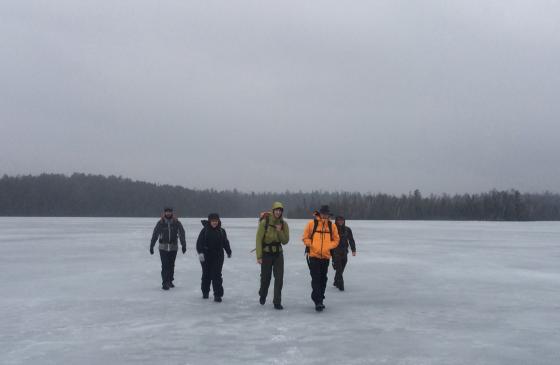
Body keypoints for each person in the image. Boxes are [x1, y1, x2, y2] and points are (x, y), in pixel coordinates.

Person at [302, 205, 340, 312]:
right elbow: (305, 237)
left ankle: (320, 299)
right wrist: (312, 245)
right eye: (323, 213)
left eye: (326, 214)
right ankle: (317, 301)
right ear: (319, 213)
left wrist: (329, 246)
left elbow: (336, 240)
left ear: (328, 215)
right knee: (316, 279)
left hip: (326, 257)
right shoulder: (311, 224)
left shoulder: (332, 226)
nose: (325, 215)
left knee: (323, 279)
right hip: (314, 256)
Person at [256, 202, 289, 310]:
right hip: (266, 254)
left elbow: (285, 241)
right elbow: (258, 240)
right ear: (273, 210)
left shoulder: (284, 224)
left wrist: (279, 231)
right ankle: (263, 294)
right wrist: (259, 256)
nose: (278, 212)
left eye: (280, 210)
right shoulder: (264, 223)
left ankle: (277, 301)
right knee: (266, 278)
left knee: (279, 279)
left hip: (278, 254)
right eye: (276, 210)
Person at [196, 213, 232, 302]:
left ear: (218, 221)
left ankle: (218, 295)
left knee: (217, 275)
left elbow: (225, 242)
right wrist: (200, 253)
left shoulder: (222, 231)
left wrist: (228, 251)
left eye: (216, 221)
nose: (214, 223)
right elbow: (199, 243)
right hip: (206, 256)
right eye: (213, 221)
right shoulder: (204, 231)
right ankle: (205, 292)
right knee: (206, 274)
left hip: (218, 256)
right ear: (209, 221)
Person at [149, 207, 186, 290]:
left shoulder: (176, 223)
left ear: (172, 213)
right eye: (167, 212)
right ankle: (165, 282)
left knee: (171, 265)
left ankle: (170, 281)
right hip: (163, 248)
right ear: (164, 213)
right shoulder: (161, 223)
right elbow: (155, 234)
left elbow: (182, 234)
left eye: (169, 212)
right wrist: (152, 246)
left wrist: (184, 245)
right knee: (165, 265)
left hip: (173, 247)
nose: (168, 213)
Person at [331, 216, 357, 291]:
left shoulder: (347, 229)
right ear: (336, 221)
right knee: (339, 268)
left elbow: (351, 240)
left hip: (344, 251)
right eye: (339, 220)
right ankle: (341, 285)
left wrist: (353, 249)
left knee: (342, 266)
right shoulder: (333, 229)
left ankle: (336, 280)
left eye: (342, 220)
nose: (340, 222)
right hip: (335, 251)